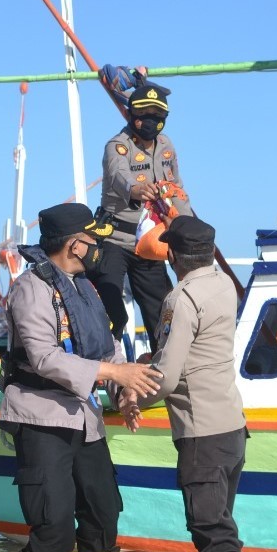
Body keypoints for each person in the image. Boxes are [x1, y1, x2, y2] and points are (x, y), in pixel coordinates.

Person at [0, 202, 162, 552]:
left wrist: (122, 394)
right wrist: (114, 371)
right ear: (74, 244)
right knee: (53, 528)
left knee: (103, 517)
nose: (98, 249)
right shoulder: (30, 288)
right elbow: (43, 357)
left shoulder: (85, 288)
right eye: (93, 241)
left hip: (86, 420)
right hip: (41, 418)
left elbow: (104, 351)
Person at [118, 216, 250, 552]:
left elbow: (169, 378)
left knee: (210, 528)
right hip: (231, 427)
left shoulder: (183, 298)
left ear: (171, 254)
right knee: (221, 521)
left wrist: (131, 397)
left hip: (202, 433)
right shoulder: (223, 283)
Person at [91, 80, 194, 354]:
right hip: (116, 239)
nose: (151, 121)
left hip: (150, 241)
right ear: (131, 115)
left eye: (158, 116)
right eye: (144, 115)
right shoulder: (117, 146)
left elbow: (176, 188)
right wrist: (138, 189)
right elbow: (118, 177)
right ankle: (109, 370)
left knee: (161, 310)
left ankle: (165, 369)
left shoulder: (166, 145)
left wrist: (187, 226)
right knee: (110, 306)